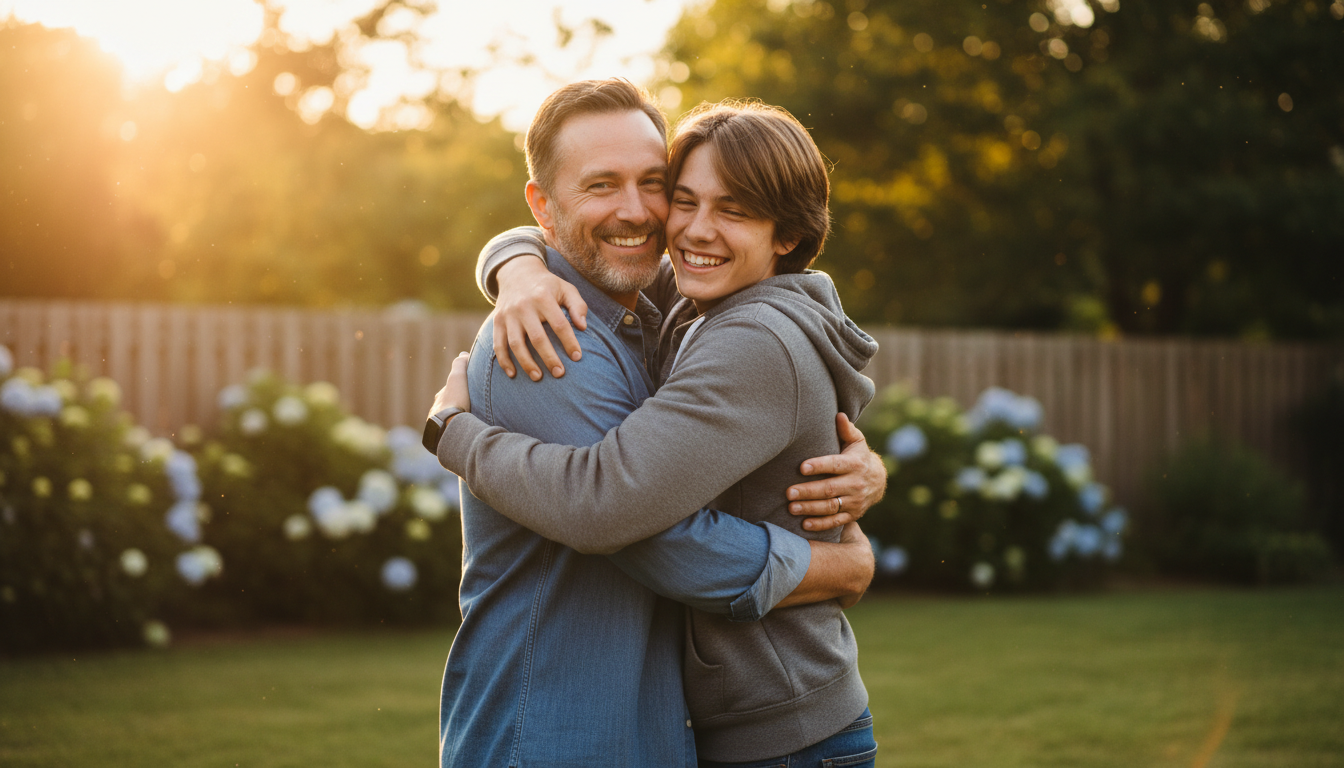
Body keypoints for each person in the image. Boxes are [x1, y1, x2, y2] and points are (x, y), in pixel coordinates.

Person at [426, 80, 885, 767]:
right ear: (544, 205)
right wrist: (513, 263)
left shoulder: (724, 324)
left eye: (653, 183)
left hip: (765, 728)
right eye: (603, 185)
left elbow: (612, 506)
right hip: (549, 736)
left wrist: (450, 434)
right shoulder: (553, 338)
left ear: (786, 233)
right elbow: (619, 516)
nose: (650, 216)